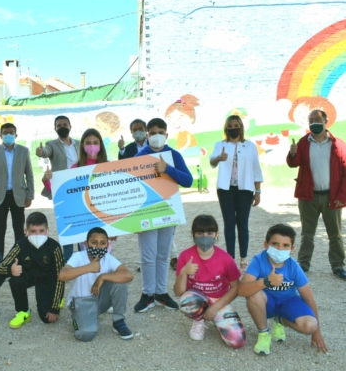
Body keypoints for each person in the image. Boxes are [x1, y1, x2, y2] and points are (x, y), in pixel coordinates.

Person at [238, 224, 327, 355]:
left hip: (288, 301)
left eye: (285, 245)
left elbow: (308, 297)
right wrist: (266, 282)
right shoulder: (258, 261)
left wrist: (317, 332)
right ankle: (263, 333)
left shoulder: (293, 266)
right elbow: (242, 290)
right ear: (266, 245)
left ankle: (279, 320)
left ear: (292, 249)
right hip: (267, 304)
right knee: (253, 293)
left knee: (310, 326)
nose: (280, 249)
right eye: (275, 244)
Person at [134, 118, 193, 312]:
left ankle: (161, 293)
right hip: (147, 212)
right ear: (147, 136)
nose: (156, 135)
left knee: (163, 254)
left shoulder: (173, 155)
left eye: (160, 132)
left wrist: (167, 169)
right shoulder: (140, 156)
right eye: (152, 133)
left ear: (166, 135)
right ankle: (147, 294)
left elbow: (188, 180)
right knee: (147, 256)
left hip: (168, 211)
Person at [286, 109, 346, 279]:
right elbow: (294, 163)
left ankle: (338, 266)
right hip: (308, 196)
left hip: (331, 196)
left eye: (317, 119)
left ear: (326, 120)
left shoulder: (337, 144)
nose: (314, 123)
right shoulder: (304, 143)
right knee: (307, 233)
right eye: (311, 120)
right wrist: (292, 153)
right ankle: (303, 265)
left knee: (335, 234)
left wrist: (342, 196)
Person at [0, 212, 64, 329]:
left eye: (41, 230)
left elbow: (61, 277)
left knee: (47, 319)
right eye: (33, 231)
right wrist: (11, 270)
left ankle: (57, 300)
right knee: (15, 279)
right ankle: (23, 312)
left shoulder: (54, 247)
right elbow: (0, 267)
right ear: (26, 231)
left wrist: (54, 308)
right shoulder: (20, 245)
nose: (37, 235)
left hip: (47, 280)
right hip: (28, 276)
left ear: (48, 230)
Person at [174, 215, 245, 348]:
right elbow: (178, 292)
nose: (205, 237)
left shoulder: (226, 258)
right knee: (187, 301)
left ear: (217, 234)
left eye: (209, 233)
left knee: (237, 341)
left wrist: (216, 307)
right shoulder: (185, 256)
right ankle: (199, 320)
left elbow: (236, 287)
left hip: (219, 300)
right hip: (197, 298)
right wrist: (183, 272)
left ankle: (217, 316)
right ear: (193, 235)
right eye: (200, 233)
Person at [42, 128, 116, 252]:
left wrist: (114, 228)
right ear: (82, 145)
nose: (92, 146)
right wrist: (46, 180)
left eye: (95, 142)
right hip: (84, 221)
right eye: (88, 143)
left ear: (101, 145)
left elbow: (115, 197)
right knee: (87, 259)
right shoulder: (76, 167)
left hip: (104, 219)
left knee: (104, 259)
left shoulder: (108, 166)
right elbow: (64, 194)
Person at [59, 227, 134, 341]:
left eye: (102, 243)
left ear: (107, 245)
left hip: (100, 299)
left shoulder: (107, 258)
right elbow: (62, 276)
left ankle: (118, 320)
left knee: (120, 282)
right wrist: (88, 267)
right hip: (81, 302)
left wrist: (102, 277)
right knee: (85, 335)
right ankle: (77, 317)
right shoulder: (78, 257)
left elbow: (128, 275)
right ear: (86, 243)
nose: (98, 247)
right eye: (94, 243)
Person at [209, 115, 263, 272]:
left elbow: (255, 169)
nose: (233, 128)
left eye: (236, 125)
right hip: (225, 190)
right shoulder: (220, 145)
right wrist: (219, 158)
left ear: (241, 127)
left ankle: (243, 258)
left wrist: (257, 191)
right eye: (230, 125)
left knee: (243, 223)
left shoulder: (250, 146)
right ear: (226, 128)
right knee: (229, 223)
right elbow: (212, 161)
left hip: (245, 189)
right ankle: (230, 258)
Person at [0, 122, 34, 255]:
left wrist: (30, 195)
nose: (8, 135)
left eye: (11, 133)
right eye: (5, 133)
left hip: (19, 195)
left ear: (16, 135)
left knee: (19, 229)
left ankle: (19, 258)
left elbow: (29, 174)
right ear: (1, 136)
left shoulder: (24, 150)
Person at [36, 115, 80, 262]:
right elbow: (46, 151)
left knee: (82, 224)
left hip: (81, 190)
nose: (62, 127)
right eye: (59, 125)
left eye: (65, 124)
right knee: (67, 226)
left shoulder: (79, 144)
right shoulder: (52, 144)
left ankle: (83, 259)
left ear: (70, 126)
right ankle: (67, 261)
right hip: (63, 191)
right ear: (55, 128)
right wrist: (41, 152)